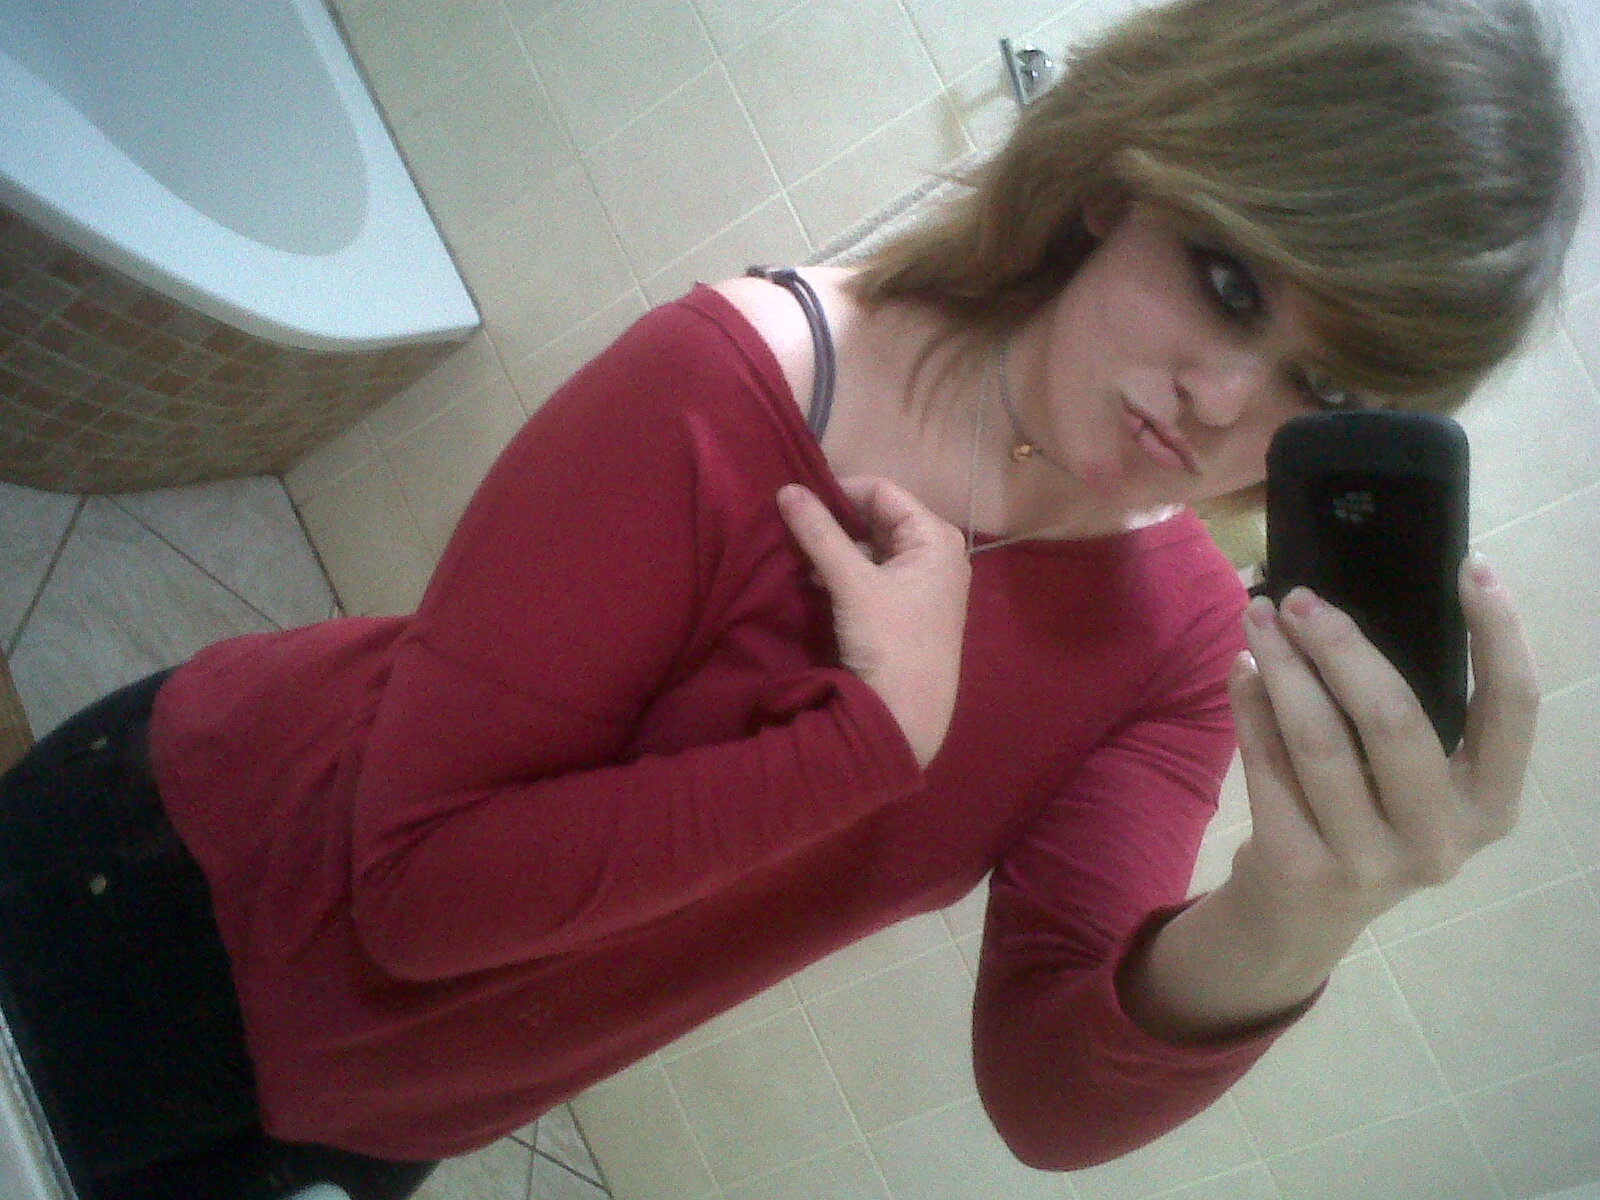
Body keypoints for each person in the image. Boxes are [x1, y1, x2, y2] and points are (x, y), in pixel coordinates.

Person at [0, 0, 1582, 1196]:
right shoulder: (731, 385)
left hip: (412, 1099)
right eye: (1228, 280)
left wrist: (1298, 915)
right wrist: (863, 746)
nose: (1225, 403)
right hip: (189, 897)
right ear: (1120, 181)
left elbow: (1046, 1101)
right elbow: (413, 895)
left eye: (1321, 385)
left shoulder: (1170, 639)